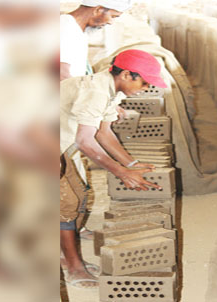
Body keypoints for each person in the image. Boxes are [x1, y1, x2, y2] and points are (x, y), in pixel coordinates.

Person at [60, 49, 167, 289]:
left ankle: (63, 255)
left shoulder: (111, 91)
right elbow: (85, 141)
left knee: (79, 196)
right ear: (127, 75)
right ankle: (74, 267)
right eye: (145, 81)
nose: (146, 87)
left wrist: (131, 164)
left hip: (56, 146)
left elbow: (103, 133)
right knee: (65, 205)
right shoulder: (96, 91)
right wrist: (121, 172)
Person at [59, 0, 130, 243]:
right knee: (66, 188)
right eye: (113, 16)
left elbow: (84, 76)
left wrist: (107, 102)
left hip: (71, 113)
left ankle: (74, 228)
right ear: (99, 9)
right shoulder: (65, 30)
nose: (111, 22)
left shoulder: (76, 31)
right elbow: (62, 75)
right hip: (61, 116)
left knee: (75, 179)